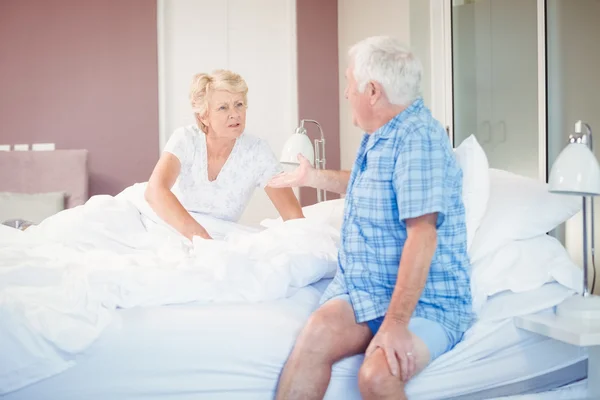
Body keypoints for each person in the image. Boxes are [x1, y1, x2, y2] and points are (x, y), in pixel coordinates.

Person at [269, 36, 473, 400]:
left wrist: (395, 326)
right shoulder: (381, 132)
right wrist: (311, 178)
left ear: (373, 91)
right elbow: (368, 183)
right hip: (370, 292)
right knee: (315, 335)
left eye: (350, 83)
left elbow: (422, 237)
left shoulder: (419, 139)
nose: (347, 93)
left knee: (376, 377)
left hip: (425, 303)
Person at [145, 70, 303, 240]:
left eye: (239, 104)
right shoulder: (185, 139)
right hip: (172, 228)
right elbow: (154, 191)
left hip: (220, 238)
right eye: (223, 107)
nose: (235, 114)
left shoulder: (257, 151)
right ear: (204, 116)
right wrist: (202, 239)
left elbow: (292, 215)